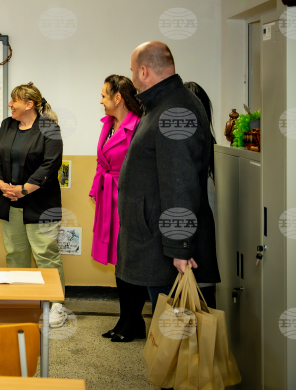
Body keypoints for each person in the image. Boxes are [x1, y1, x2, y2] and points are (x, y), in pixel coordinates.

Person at [118, 41, 220, 316]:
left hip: (167, 249)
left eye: (132, 71)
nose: (132, 78)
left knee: (175, 330)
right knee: (167, 328)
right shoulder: (162, 104)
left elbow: (180, 183)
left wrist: (180, 246)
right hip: (157, 241)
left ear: (143, 71)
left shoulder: (174, 111)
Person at [0, 82, 67, 328]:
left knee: (46, 255)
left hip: (40, 203)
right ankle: (21, 300)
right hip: (9, 201)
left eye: (14, 101)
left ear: (29, 104)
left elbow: (50, 164)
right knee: (16, 253)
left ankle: (56, 305)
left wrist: (23, 190)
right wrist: (3, 185)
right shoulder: (7, 125)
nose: (9, 104)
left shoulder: (49, 128)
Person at [89, 75, 145, 342]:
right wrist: (95, 188)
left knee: (130, 261)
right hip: (108, 197)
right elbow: (102, 161)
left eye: (104, 95)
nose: (101, 101)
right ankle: (125, 320)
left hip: (129, 200)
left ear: (118, 98)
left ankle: (133, 321)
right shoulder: (108, 124)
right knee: (119, 262)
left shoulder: (139, 126)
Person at [183, 81, 218, 308]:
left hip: (198, 224)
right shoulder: (209, 142)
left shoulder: (202, 144)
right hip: (201, 223)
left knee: (200, 293)